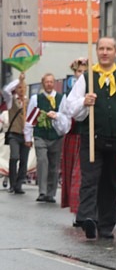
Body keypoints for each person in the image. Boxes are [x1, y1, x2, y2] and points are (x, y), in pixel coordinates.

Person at [67, 37, 116, 240]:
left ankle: (106, 225)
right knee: (90, 179)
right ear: (96, 52)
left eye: (109, 49)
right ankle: (89, 218)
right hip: (91, 137)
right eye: (101, 49)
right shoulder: (86, 78)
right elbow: (71, 107)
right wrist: (83, 102)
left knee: (112, 182)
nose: (105, 52)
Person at [24, 73, 70, 203]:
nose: (49, 84)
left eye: (51, 82)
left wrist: (57, 117)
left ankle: (51, 193)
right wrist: (27, 137)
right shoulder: (36, 99)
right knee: (42, 161)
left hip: (56, 135)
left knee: (54, 165)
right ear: (43, 83)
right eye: (47, 82)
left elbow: (65, 117)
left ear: (54, 83)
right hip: (40, 135)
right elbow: (30, 118)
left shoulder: (62, 98)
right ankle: (42, 191)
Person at [60, 58, 87, 216]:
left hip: (89, 136)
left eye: (85, 71)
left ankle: (89, 208)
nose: (82, 74)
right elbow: (64, 119)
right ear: (74, 73)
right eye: (79, 71)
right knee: (74, 175)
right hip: (73, 137)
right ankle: (78, 210)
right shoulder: (67, 96)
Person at [3, 73, 30, 194]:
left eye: (23, 87)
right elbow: (6, 90)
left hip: (25, 135)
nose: (21, 90)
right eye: (19, 87)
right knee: (14, 157)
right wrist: (19, 80)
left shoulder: (28, 102)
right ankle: (12, 184)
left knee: (24, 160)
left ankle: (19, 184)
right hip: (14, 133)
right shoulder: (11, 100)